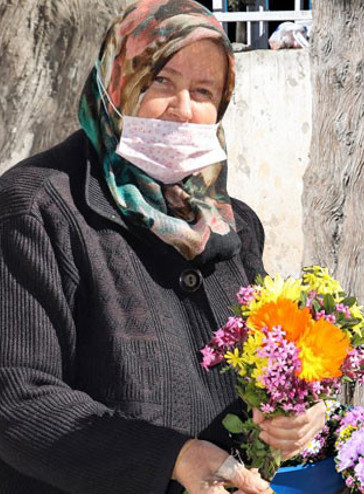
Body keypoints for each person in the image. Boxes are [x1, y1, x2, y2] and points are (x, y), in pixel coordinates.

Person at [0, 1, 324, 493]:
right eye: (160, 82)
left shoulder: (233, 225)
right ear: (117, 82)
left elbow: (269, 356)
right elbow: (17, 396)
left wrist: (295, 406)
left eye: (204, 92)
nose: (183, 108)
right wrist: (173, 457)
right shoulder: (37, 208)